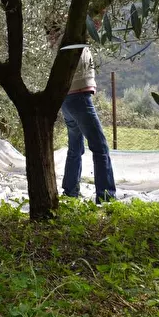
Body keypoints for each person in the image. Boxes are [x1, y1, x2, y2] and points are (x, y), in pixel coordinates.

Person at [47, 21, 116, 203]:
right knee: (100, 147)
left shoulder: (61, 42)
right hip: (79, 99)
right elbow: (96, 22)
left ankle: (70, 193)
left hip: (68, 99)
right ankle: (106, 196)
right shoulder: (71, 38)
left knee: (75, 149)